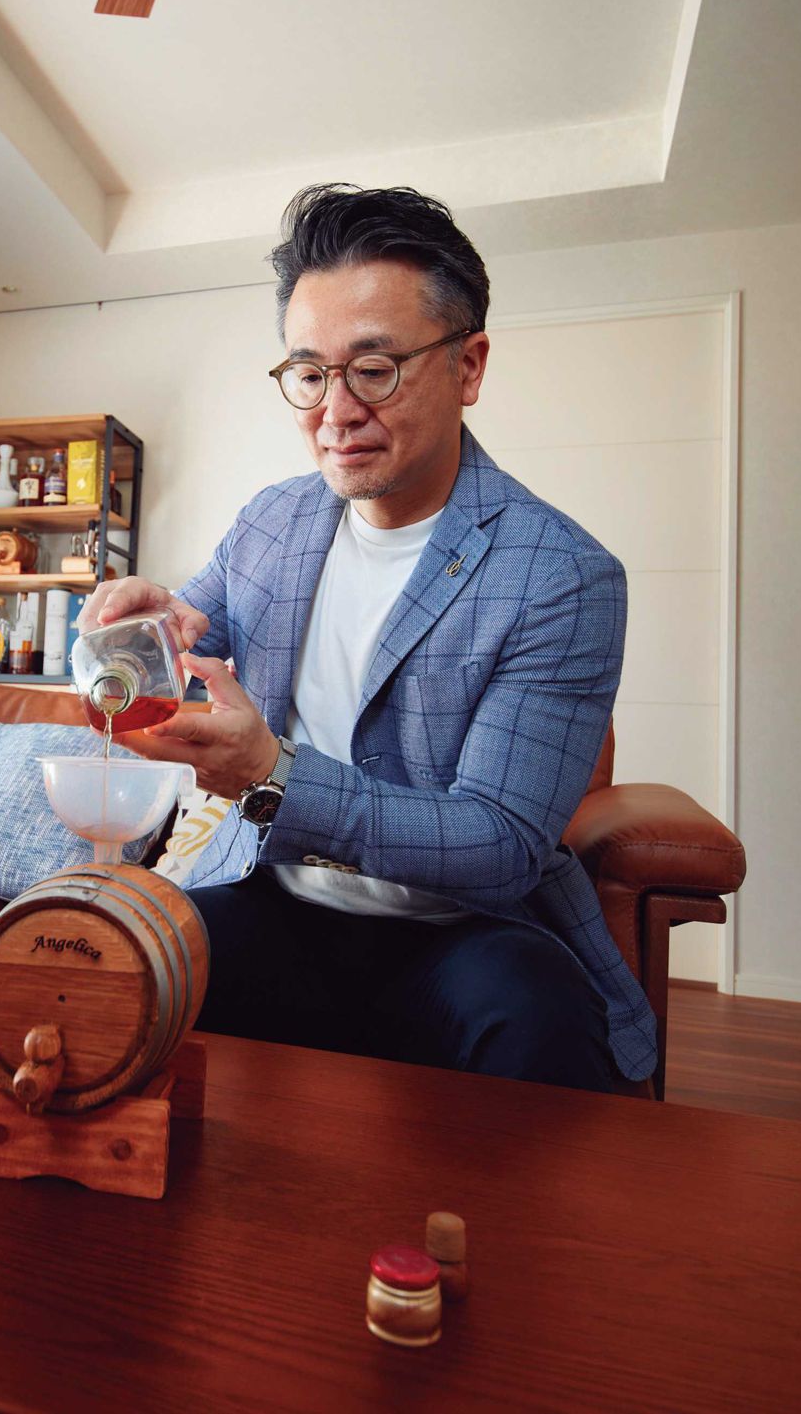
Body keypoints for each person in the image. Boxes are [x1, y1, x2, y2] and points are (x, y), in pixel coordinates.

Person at [79, 183, 658, 1092]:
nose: (335, 411)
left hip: (467, 929)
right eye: (310, 374)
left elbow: (500, 842)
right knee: (123, 976)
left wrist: (273, 772)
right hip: (281, 899)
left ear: (469, 366)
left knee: (534, 1024)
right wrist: (140, 630)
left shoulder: (561, 576)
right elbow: (183, 635)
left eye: (375, 369)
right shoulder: (270, 524)